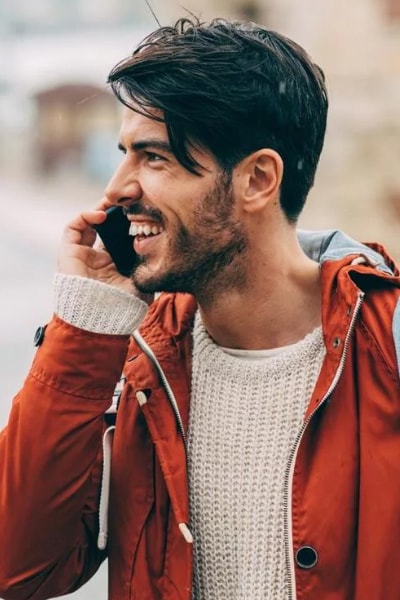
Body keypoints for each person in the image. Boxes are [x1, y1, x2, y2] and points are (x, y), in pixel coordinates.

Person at [0, 16, 399, 600]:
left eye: (153, 158)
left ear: (258, 179)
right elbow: (17, 567)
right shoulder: (135, 366)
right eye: (123, 153)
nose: (115, 188)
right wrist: (83, 330)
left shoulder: (387, 349)